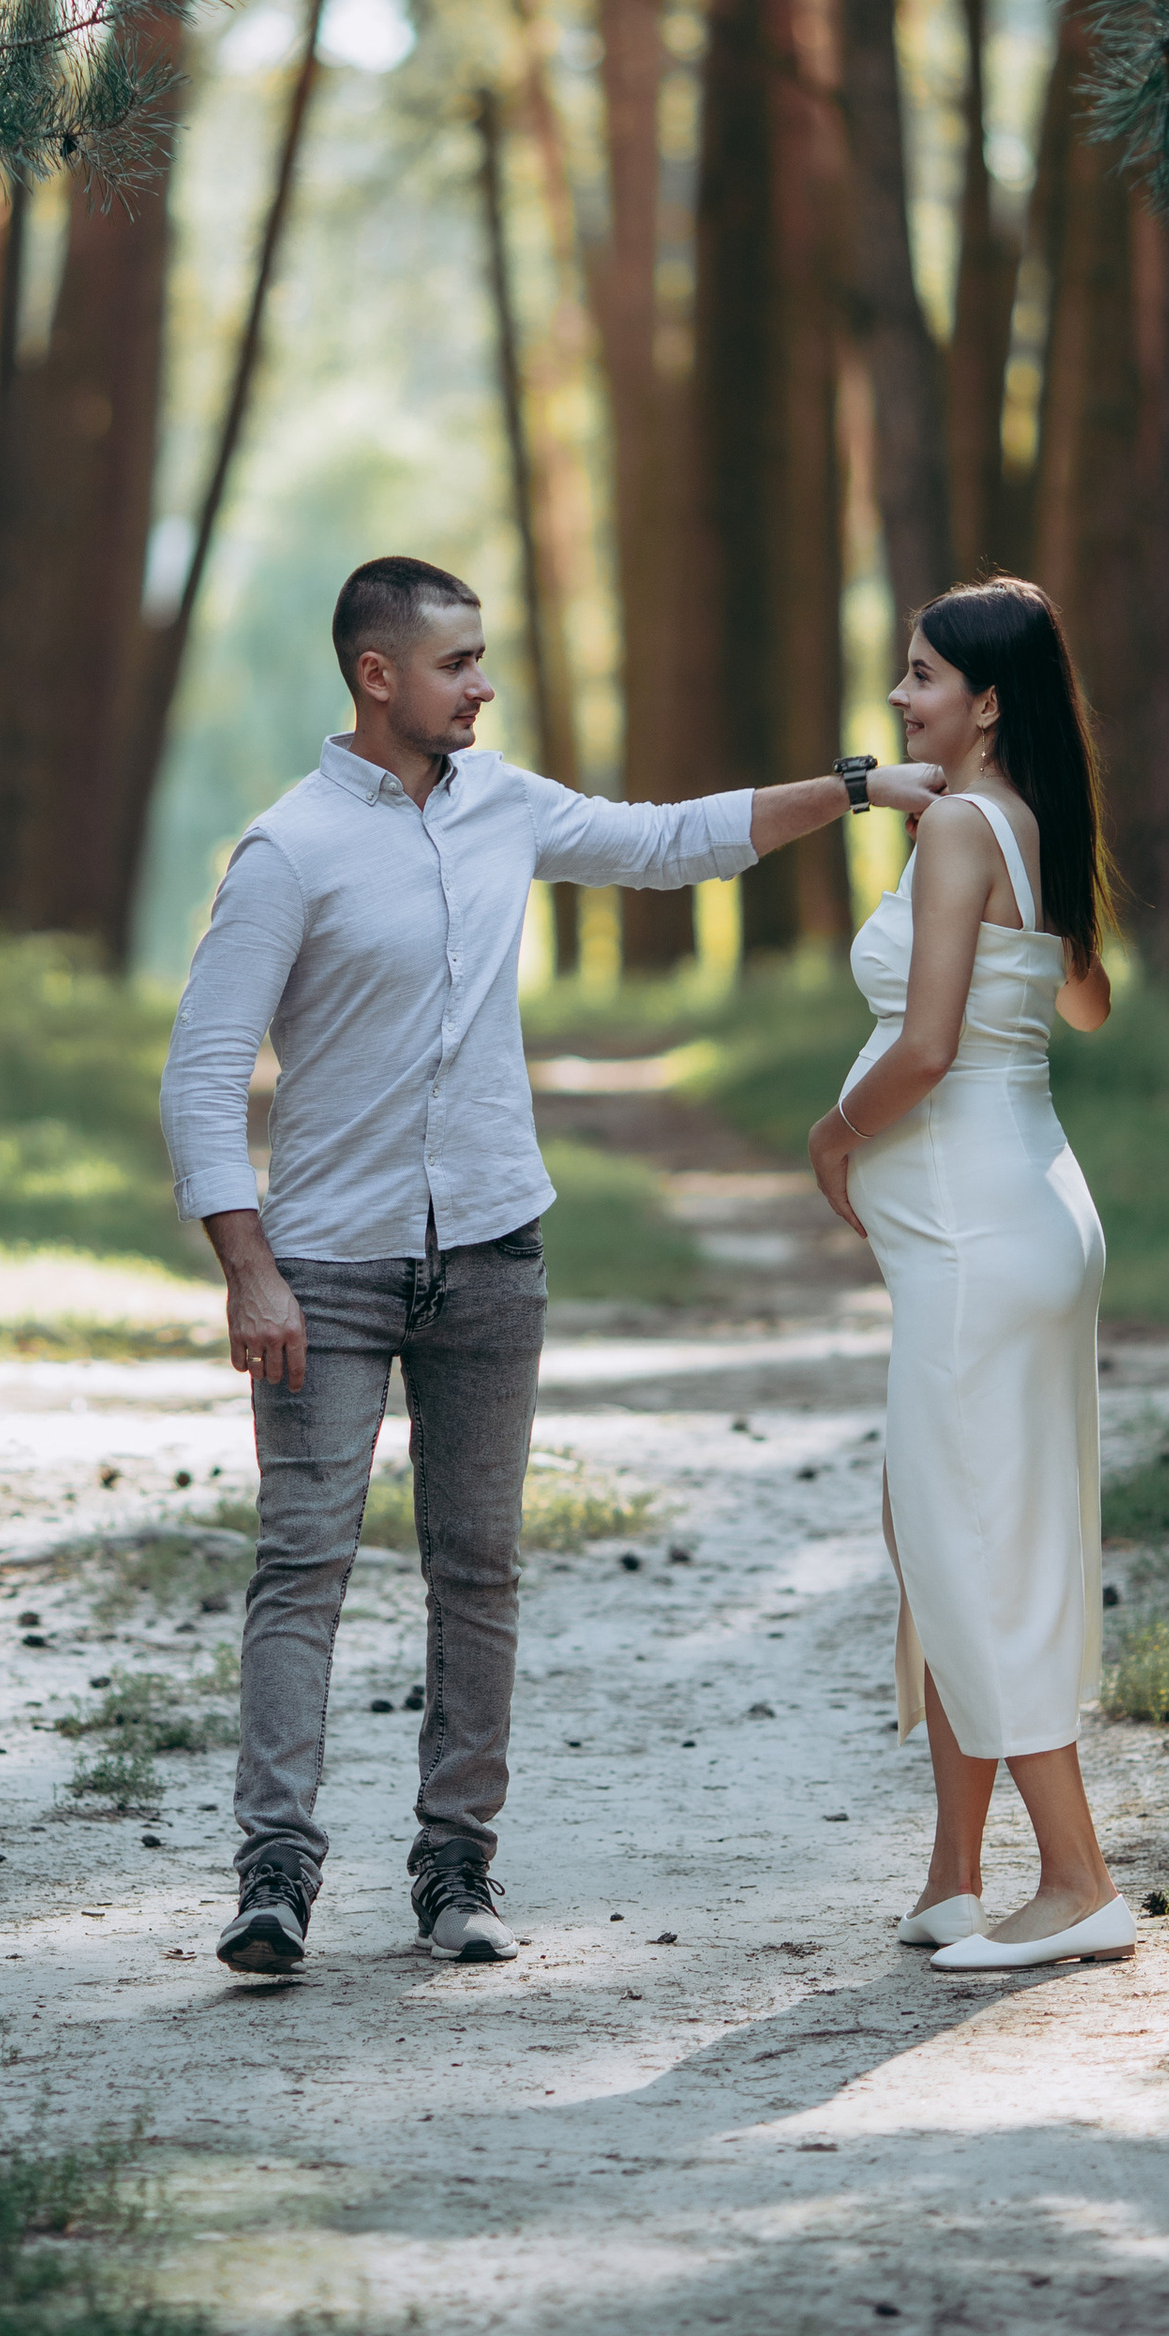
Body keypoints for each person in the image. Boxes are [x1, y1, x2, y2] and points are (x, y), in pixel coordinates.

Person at [160, 554, 933, 1980]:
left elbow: (668, 842)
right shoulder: (289, 850)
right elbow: (205, 1075)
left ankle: (457, 1871)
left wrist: (858, 789)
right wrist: (246, 1265)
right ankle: (275, 1872)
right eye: (458, 663)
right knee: (303, 1563)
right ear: (378, 676)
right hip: (328, 1263)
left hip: (495, 1255)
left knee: (479, 1569)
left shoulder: (505, 804)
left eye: (484, 659)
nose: (484, 685)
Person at [805, 576, 1135, 1973]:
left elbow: (929, 1046)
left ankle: (1077, 1884)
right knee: (945, 1532)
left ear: (986, 702)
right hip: (1030, 1202)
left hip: (972, 1229)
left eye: (924, 677)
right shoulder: (1020, 822)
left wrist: (833, 1143)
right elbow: (1082, 997)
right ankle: (955, 1875)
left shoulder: (961, 835)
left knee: (968, 1543)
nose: (899, 694)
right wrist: (887, 789)